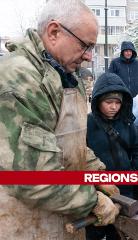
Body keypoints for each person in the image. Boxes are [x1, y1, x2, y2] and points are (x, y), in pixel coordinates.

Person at [0, 0, 119, 238]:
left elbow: (68, 141)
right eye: (85, 45)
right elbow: (30, 177)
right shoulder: (19, 81)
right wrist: (91, 201)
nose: (88, 56)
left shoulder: (63, 74)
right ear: (54, 32)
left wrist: (95, 172)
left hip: (61, 220)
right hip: (26, 225)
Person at [86, 72, 138, 240]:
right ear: (97, 101)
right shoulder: (87, 125)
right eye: (108, 102)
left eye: (117, 102)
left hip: (124, 189)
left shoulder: (128, 124)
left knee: (119, 233)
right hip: (97, 191)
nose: (113, 107)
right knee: (94, 232)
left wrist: (134, 171)